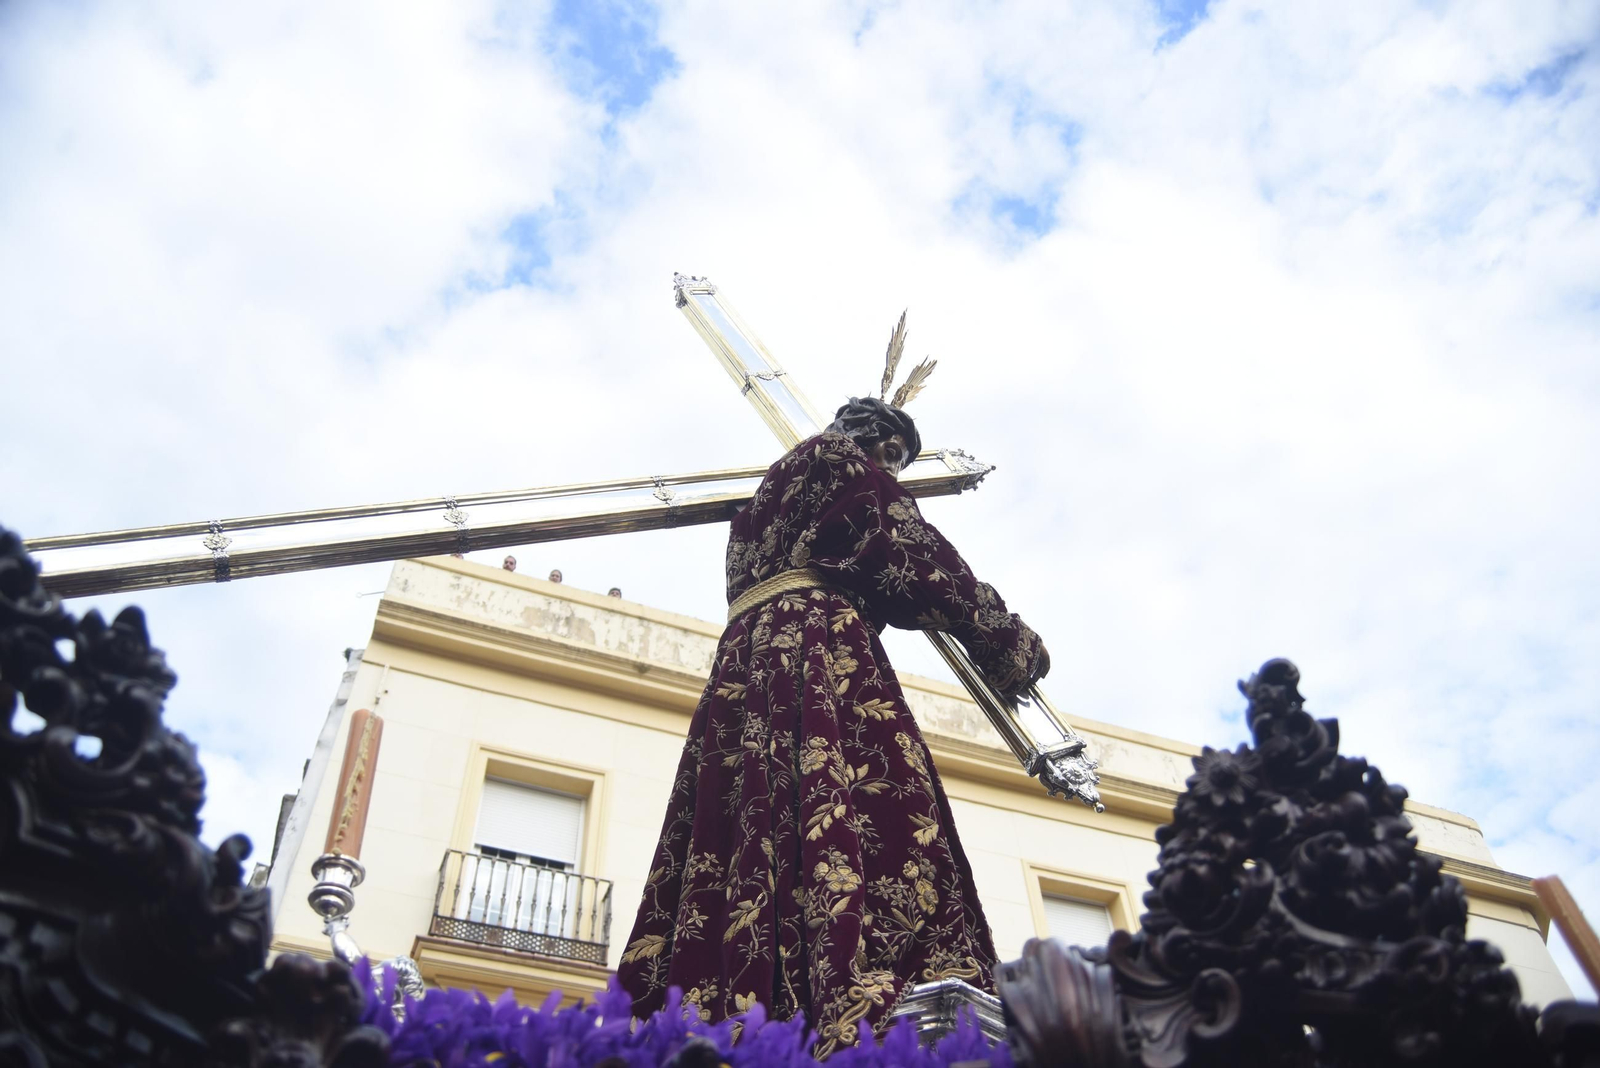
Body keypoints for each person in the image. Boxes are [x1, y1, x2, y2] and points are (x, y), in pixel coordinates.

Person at [617, 397, 1049, 1056]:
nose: (895, 472)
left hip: (744, 671)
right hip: (817, 652)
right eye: (896, 456)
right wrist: (1003, 636)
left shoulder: (763, 497)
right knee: (874, 812)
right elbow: (911, 555)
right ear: (872, 440)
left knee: (736, 826)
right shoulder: (844, 465)